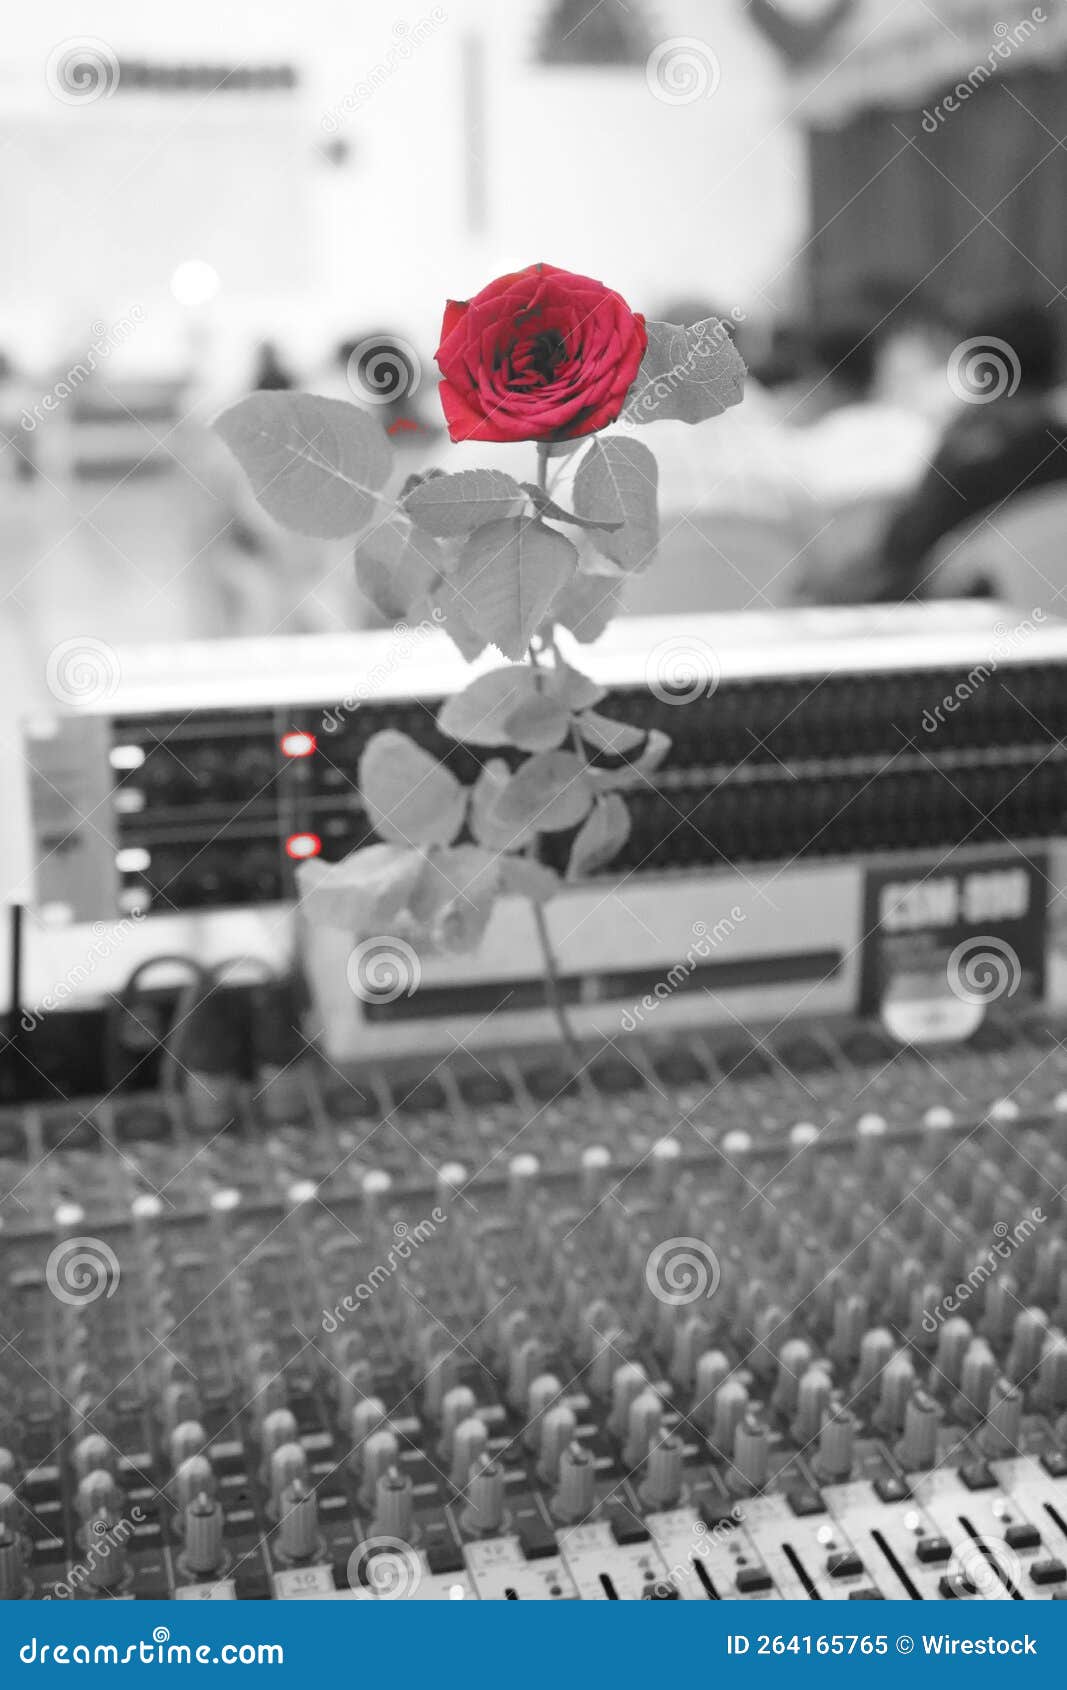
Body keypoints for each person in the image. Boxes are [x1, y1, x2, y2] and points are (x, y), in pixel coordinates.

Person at [872, 301, 1067, 601]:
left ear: (982, 371)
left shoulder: (970, 465)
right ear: (1056, 364)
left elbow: (901, 551)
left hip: (961, 625)